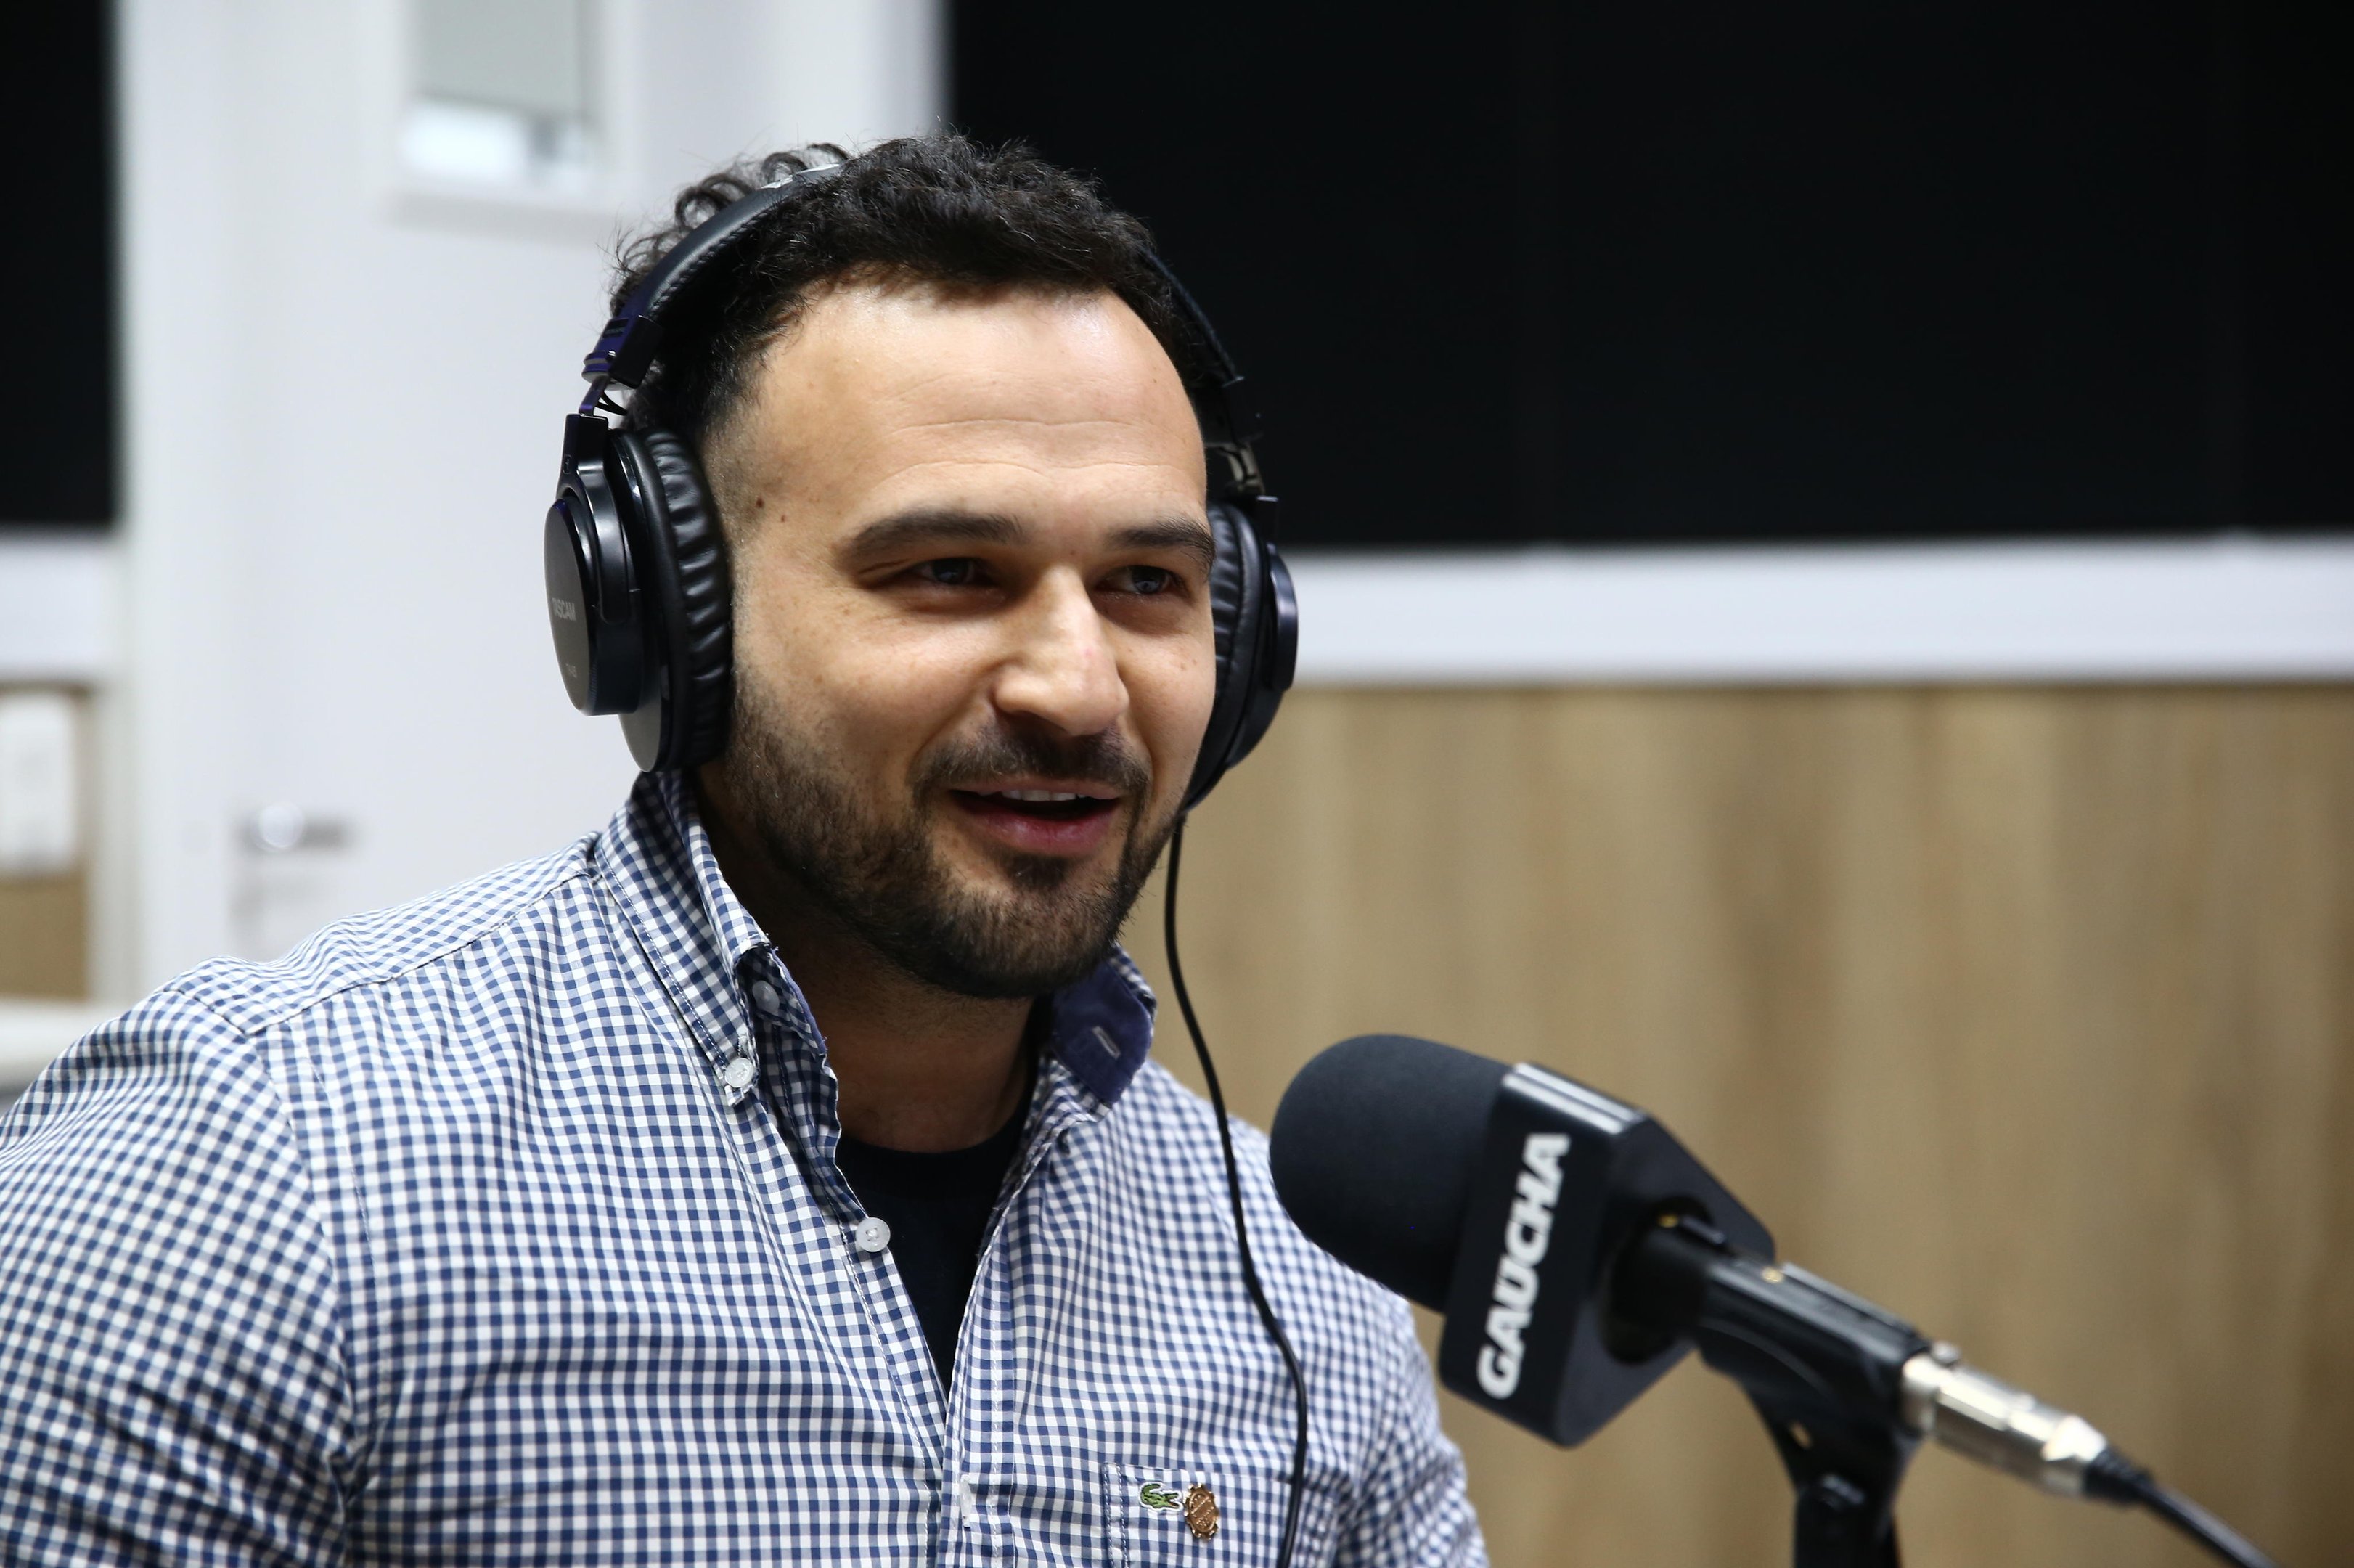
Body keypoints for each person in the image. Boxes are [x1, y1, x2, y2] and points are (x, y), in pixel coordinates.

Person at [0, 136, 1482, 1564]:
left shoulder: (1299, 1281)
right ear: (665, 614)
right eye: (949, 572)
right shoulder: (243, 1172)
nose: (1079, 688)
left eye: (1147, 582)